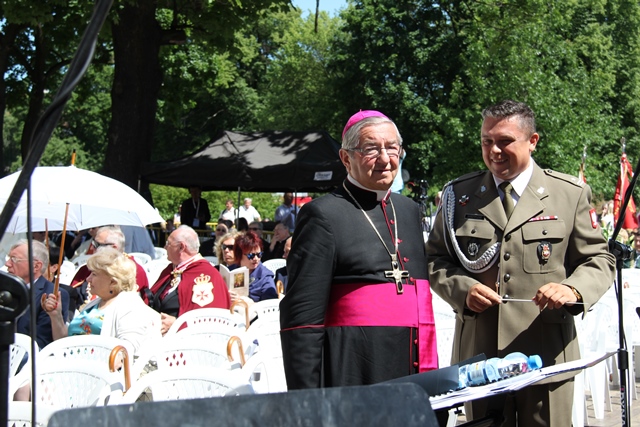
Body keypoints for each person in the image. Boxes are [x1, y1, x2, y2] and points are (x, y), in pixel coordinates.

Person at [426, 100, 615, 426]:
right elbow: (434, 259)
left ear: (533, 141)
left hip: (545, 352)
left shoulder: (568, 194)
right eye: (487, 141)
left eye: (505, 141)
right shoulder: (460, 195)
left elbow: (599, 259)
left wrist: (573, 289)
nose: (494, 151)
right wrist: (463, 290)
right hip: (481, 356)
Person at [280, 110, 437, 390]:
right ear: (345, 158)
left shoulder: (409, 210)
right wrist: (306, 398)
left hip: (410, 362)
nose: (385, 159)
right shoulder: (322, 214)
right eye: (371, 149)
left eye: (392, 148)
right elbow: (301, 318)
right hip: (352, 367)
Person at [42, 248, 161, 355]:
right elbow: (63, 342)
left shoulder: (129, 303)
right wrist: (56, 316)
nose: (88, 279)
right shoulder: (95, 303)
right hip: (73, 363)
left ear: (113, 282)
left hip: (99, 368)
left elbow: (128, 346)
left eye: (94, 274)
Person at [147, 225, 231, 335]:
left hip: (183, 338)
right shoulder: (171, 269)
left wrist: (177, 324)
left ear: (181, 247)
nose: (165, 247)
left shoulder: (207, 276)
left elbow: (207, 320)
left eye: (168, 243)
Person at [7, 239, 70, 349]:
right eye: (9, 258)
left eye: (14, 259)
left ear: (36, 266)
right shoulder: (6, 288)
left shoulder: (51, 294)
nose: (7, 264)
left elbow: (42, 341)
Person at [70, 226, 149, 301]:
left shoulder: (134, 271)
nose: (91, 248)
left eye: (96, 245)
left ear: (114, 248)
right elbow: (72, 294)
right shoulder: (86, 269)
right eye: (93, 243)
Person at [231, 231, 277, 303]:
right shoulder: (231, 270)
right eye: (251, 255)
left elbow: (270, 304)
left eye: (259, 255)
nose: (256, 259)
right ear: (239, 255)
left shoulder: (265, 276)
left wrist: (247, 301)